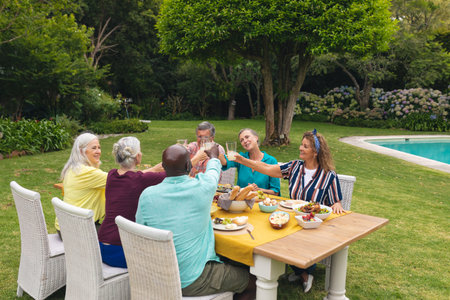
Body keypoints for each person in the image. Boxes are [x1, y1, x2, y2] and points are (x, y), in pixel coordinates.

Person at [136, 144, 255, 299]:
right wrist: (213, 157)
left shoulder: (147, 195)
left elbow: (140, 231)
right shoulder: (201, 188)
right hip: (192, 279)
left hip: (157, 273)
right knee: (254, 281)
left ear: (163, 167)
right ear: (188, 165)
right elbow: (212, 173)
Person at [231, 129, 344, 293]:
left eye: (305, 146)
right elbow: (266, 168)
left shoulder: (329, 176)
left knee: (286, 240)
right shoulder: (294, 167)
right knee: (269, 234)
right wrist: (243, 160)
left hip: (315, 226)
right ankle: (289, 269)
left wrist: (338, 204)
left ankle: (305, 273)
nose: (300, 148)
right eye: (301, 144)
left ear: (315, 152)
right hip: (292, 221)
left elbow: (336, 202)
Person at [98, 137, 166, 268]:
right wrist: (196, 158)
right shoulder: (139, 180)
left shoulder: (112, 175)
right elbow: (176, 173)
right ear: (138, 156)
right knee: (162, 257)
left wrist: (155, 169)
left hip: (102, 244)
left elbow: (135, 175)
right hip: (121, 250)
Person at [55, 132, 107, 237]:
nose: (98, 151)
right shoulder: (86, 172)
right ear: (81, 151)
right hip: (76, 229)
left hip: (66, 226)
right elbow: (120, 179)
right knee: (120, 235)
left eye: (99, 147)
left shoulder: (73, 168)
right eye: (94, 148)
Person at [223, 128, 280, 195]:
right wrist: (216, 151)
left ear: (256, 138)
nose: (245, 141)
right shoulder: (240, 158)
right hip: (241, 202)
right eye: (242, 140)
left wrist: (259, 190)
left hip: (262, 203)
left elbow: (276, 192)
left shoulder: (271, 161)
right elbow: (224, 162)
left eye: (247, 137)